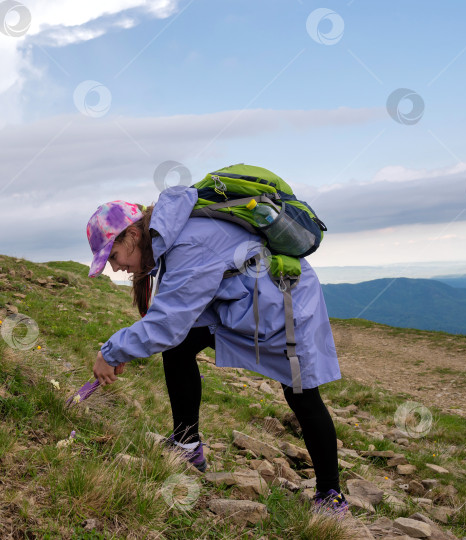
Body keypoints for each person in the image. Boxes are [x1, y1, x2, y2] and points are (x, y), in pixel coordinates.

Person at [85, 185, 347, 515]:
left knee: (303, 396)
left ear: (133, 235)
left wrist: (111, 352)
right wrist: (124, 350)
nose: (115, 267)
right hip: (241, 305)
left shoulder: (187, 241)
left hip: (289, 305)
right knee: (179, 345)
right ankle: (187, 444)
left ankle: (331, 495)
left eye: (113, 256)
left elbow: (166, 323)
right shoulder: (173, 236)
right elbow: (171, 324)